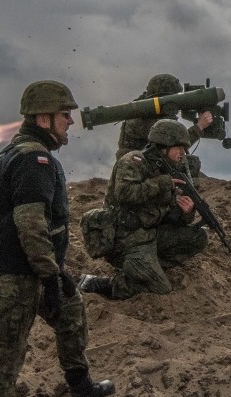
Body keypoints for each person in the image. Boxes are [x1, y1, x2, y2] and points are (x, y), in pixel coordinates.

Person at [0, 80, 115, 397]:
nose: (71, 122)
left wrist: (53, 275)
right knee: (5, 353)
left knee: (71, 313)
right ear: (44, 118)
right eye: (65, 114)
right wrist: (49, 275)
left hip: (35, 268)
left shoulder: (19, 153)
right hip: (18, 275)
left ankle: (81, 388)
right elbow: (30, 223)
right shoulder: (34, 160)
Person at [78, 119, 208, 299]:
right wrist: (162, 183)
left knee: (198, 237)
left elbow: (168, 214)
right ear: (165, 146)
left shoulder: (167, 169)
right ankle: (102, 283)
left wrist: (185, 212)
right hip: (126, 239)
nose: (182, 154)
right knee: (161, 288)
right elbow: (125, 193)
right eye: (179, 148)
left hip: (150, 234)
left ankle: (145, 269)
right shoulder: (134, 161)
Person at [116, 73, 214, 177]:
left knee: (192, 167)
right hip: (136, 167)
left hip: (147, 162)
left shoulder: (150, 112)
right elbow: (173, 142)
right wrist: (199, 126)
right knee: (191, 169)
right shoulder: (143, 117)